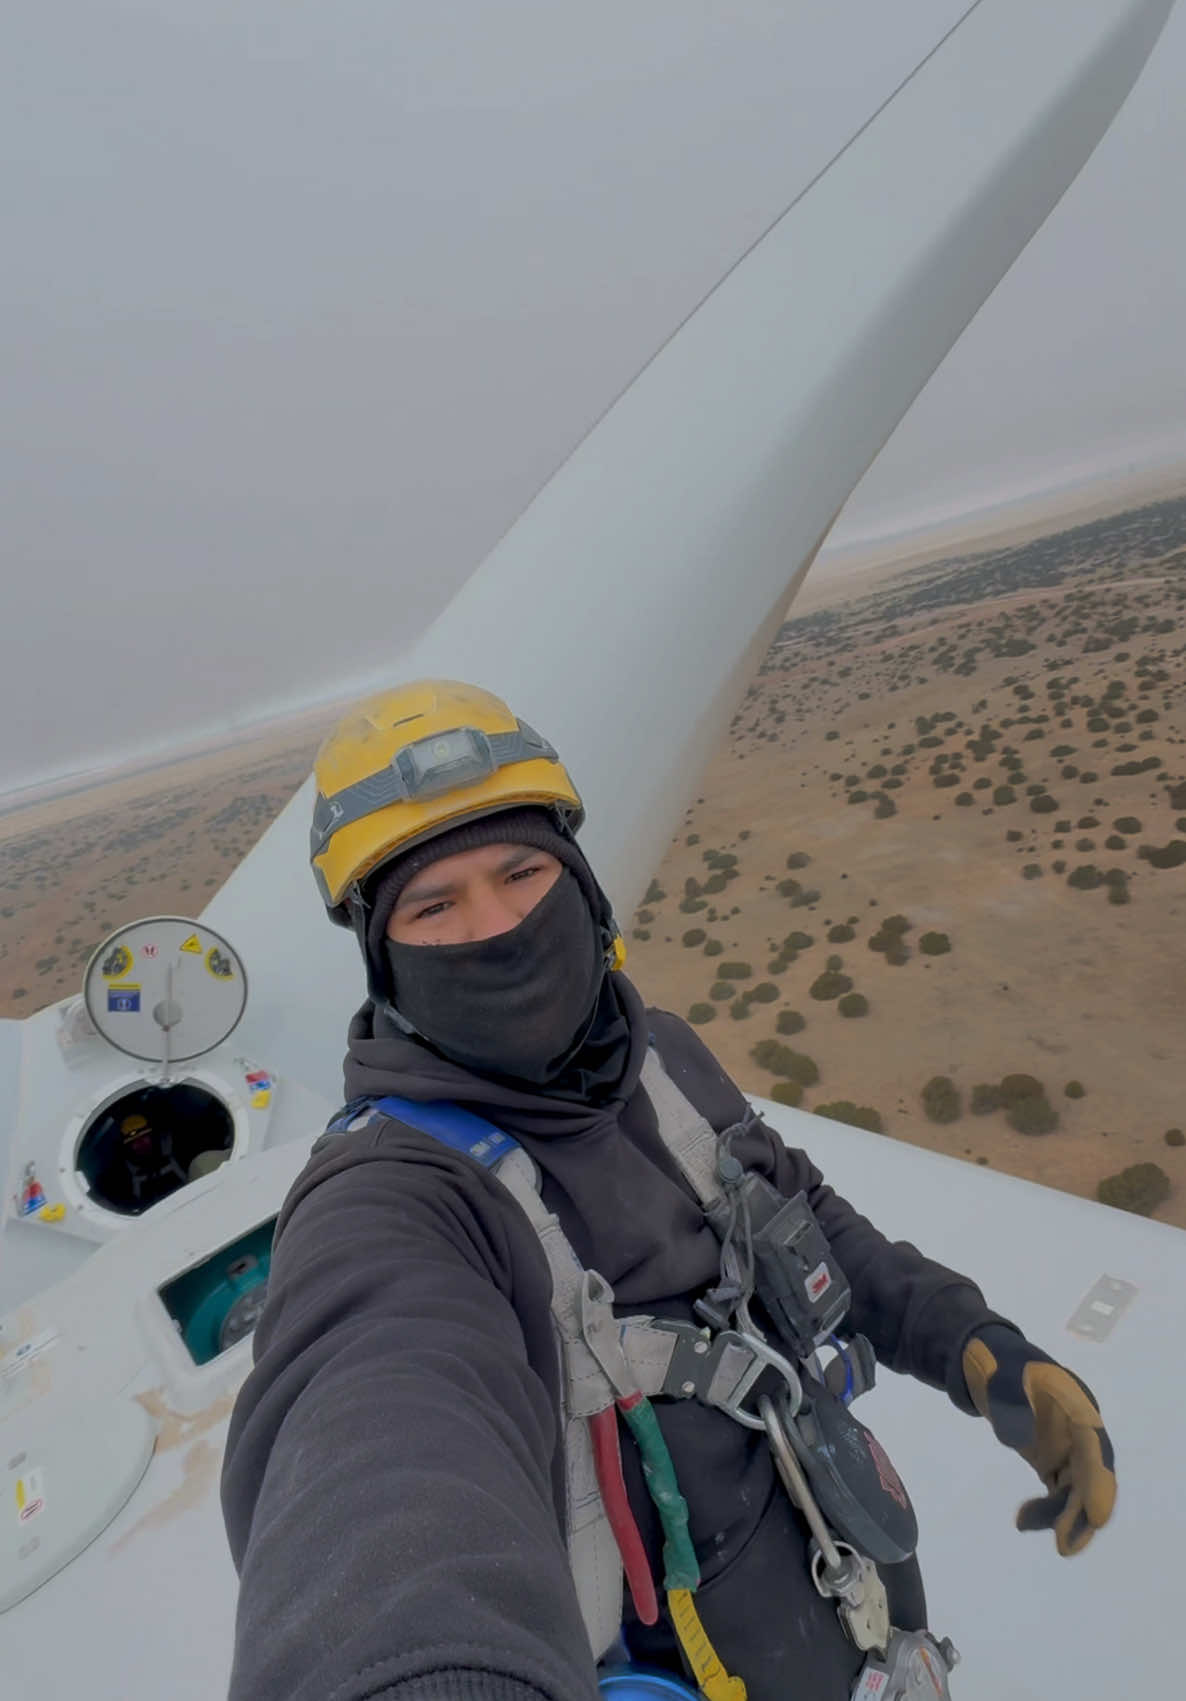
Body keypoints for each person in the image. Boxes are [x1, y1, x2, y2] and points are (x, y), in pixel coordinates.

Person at [220, 680, 1116, 1701]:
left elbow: (808, 1225)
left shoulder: (659, 1062)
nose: (497, 926)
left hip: (858, 1615)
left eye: (521, 871)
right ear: (382, 959)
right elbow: (369, 1477)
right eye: (434, 905)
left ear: (581, 883)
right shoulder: (394, 1199)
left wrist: (979, 1352)